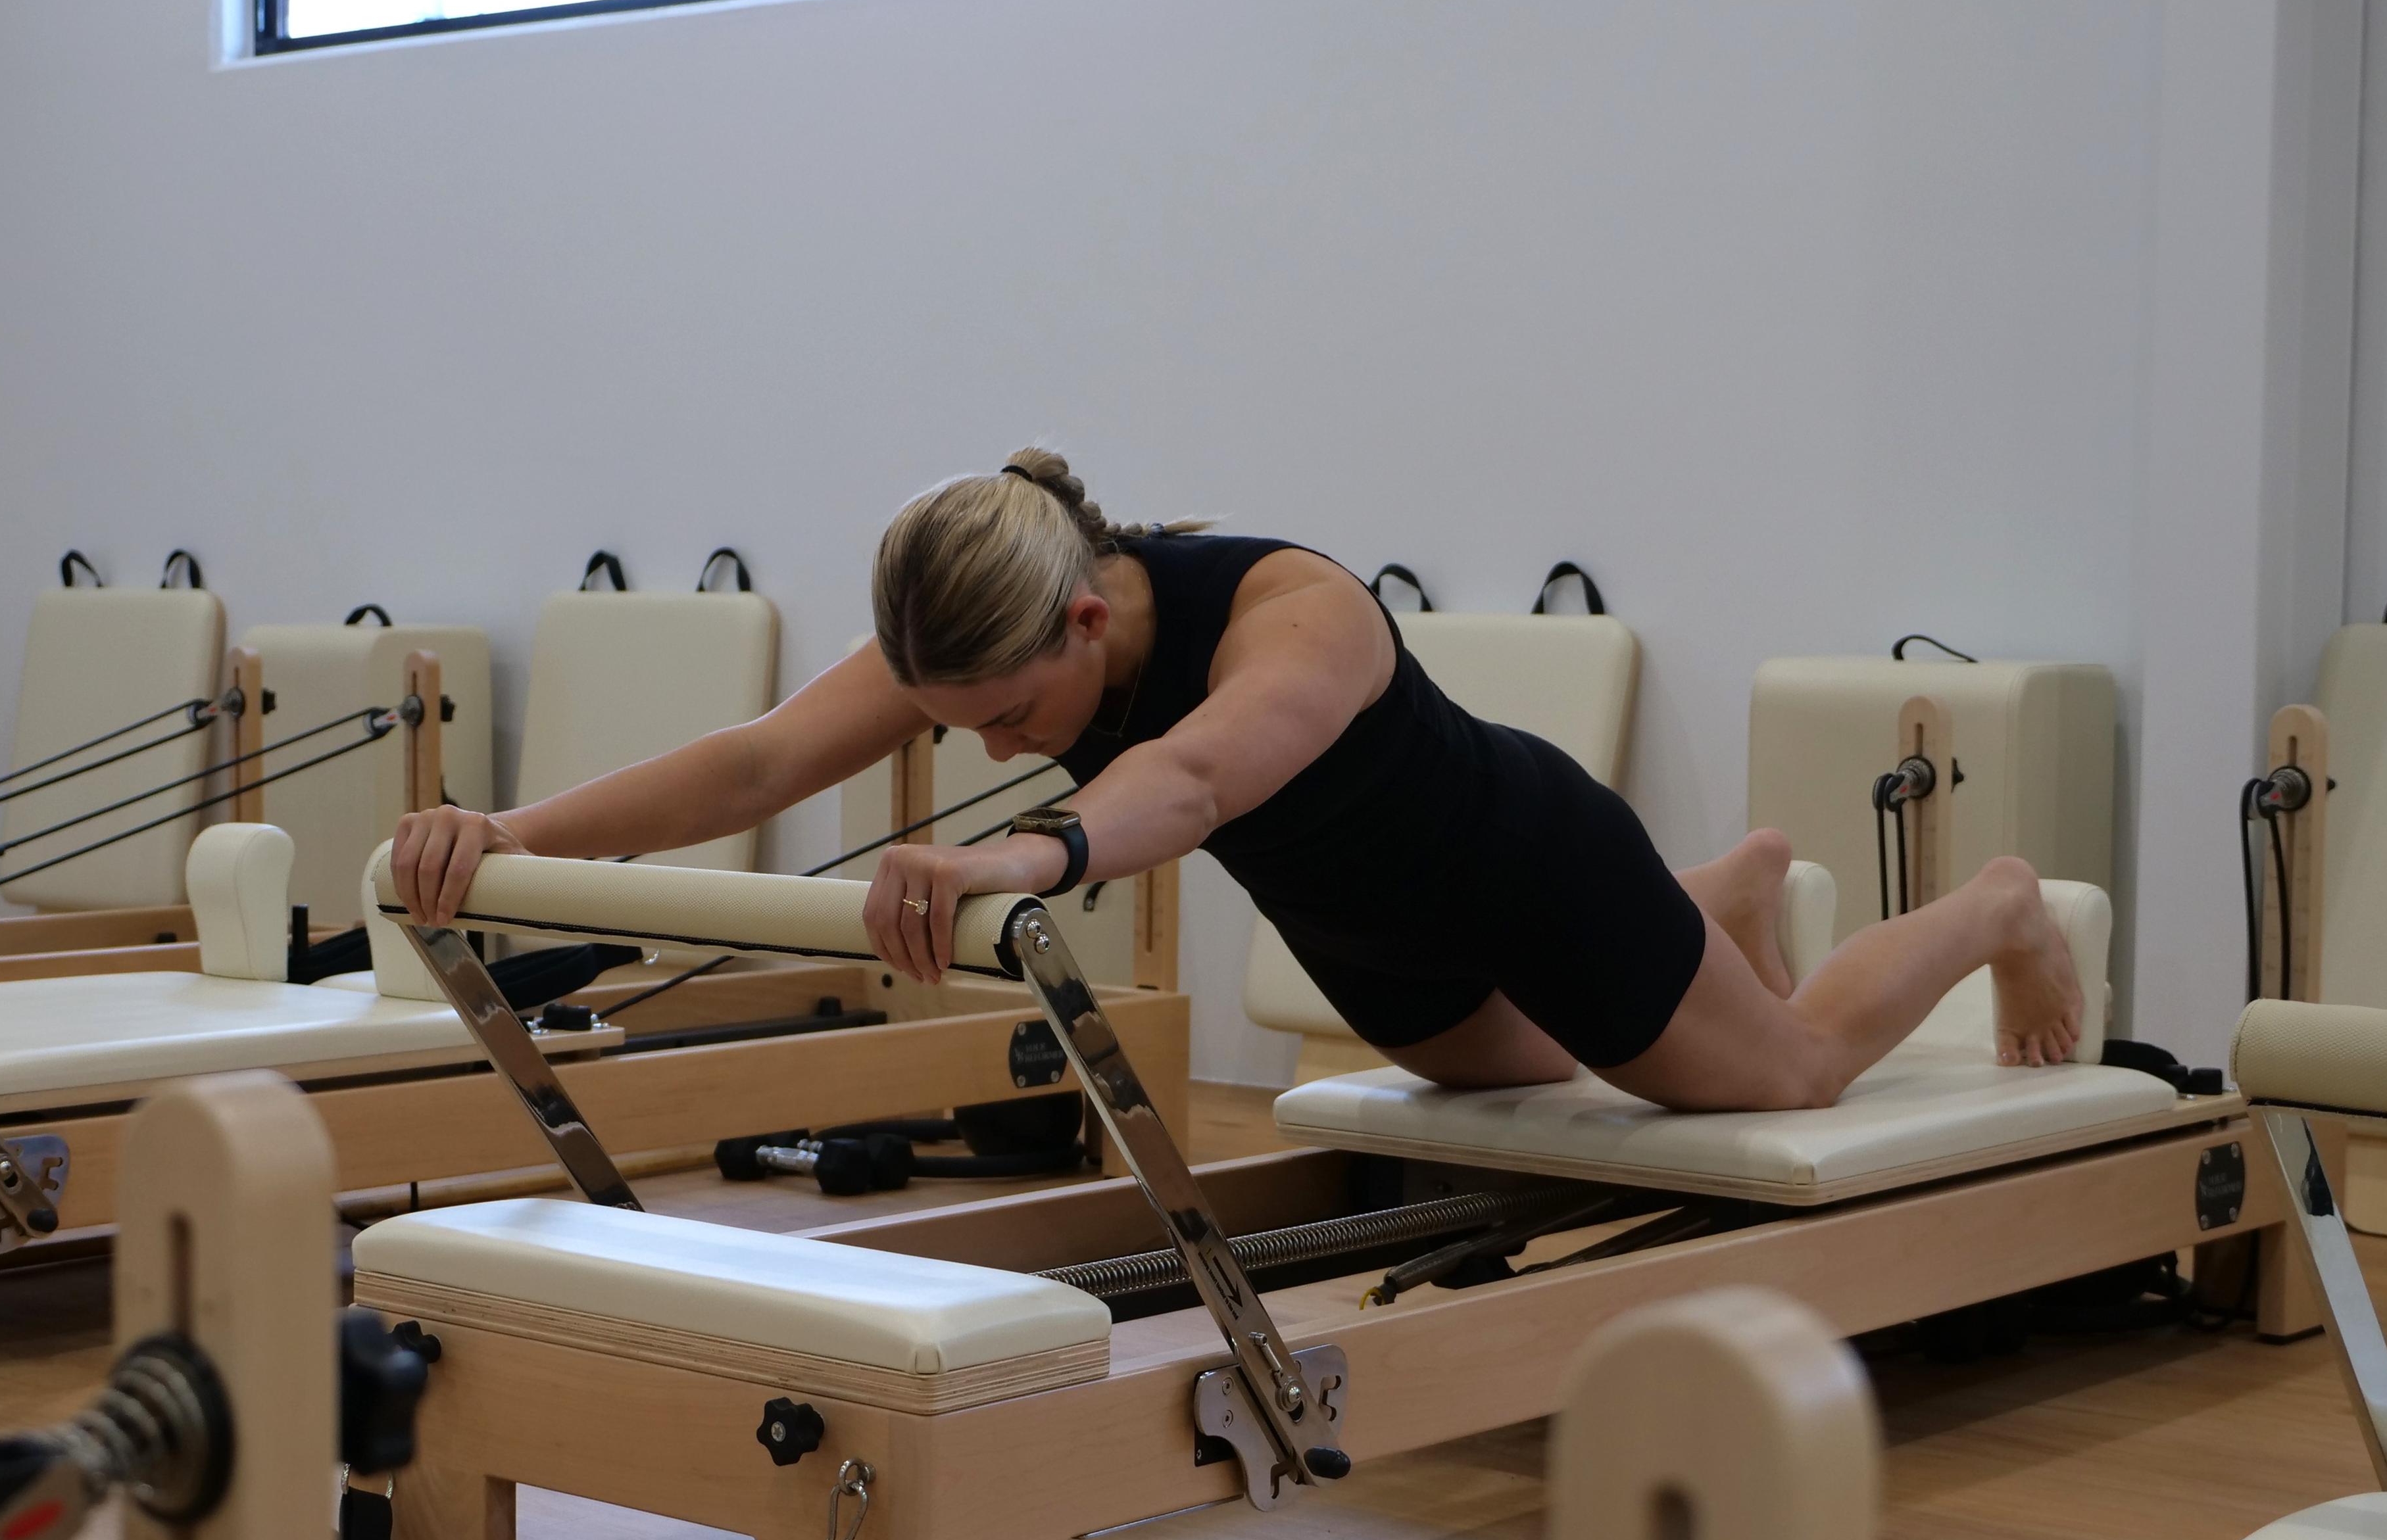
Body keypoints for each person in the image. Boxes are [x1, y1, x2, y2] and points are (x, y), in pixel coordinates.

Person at [390, 450, 2082, 1107]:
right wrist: (512, 828)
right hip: (1373, 943)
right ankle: (1713, 899)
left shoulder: (1294, 613)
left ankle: (1987, 913)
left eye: (1004, 711)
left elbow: (1194, 784)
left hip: (1522, 862)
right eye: (950, 720)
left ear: (1080, 610)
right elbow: (755, 760)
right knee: (1531, 1078)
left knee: (1776, 1078)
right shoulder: (988, 646)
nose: (982, 745)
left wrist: (1025, 862)